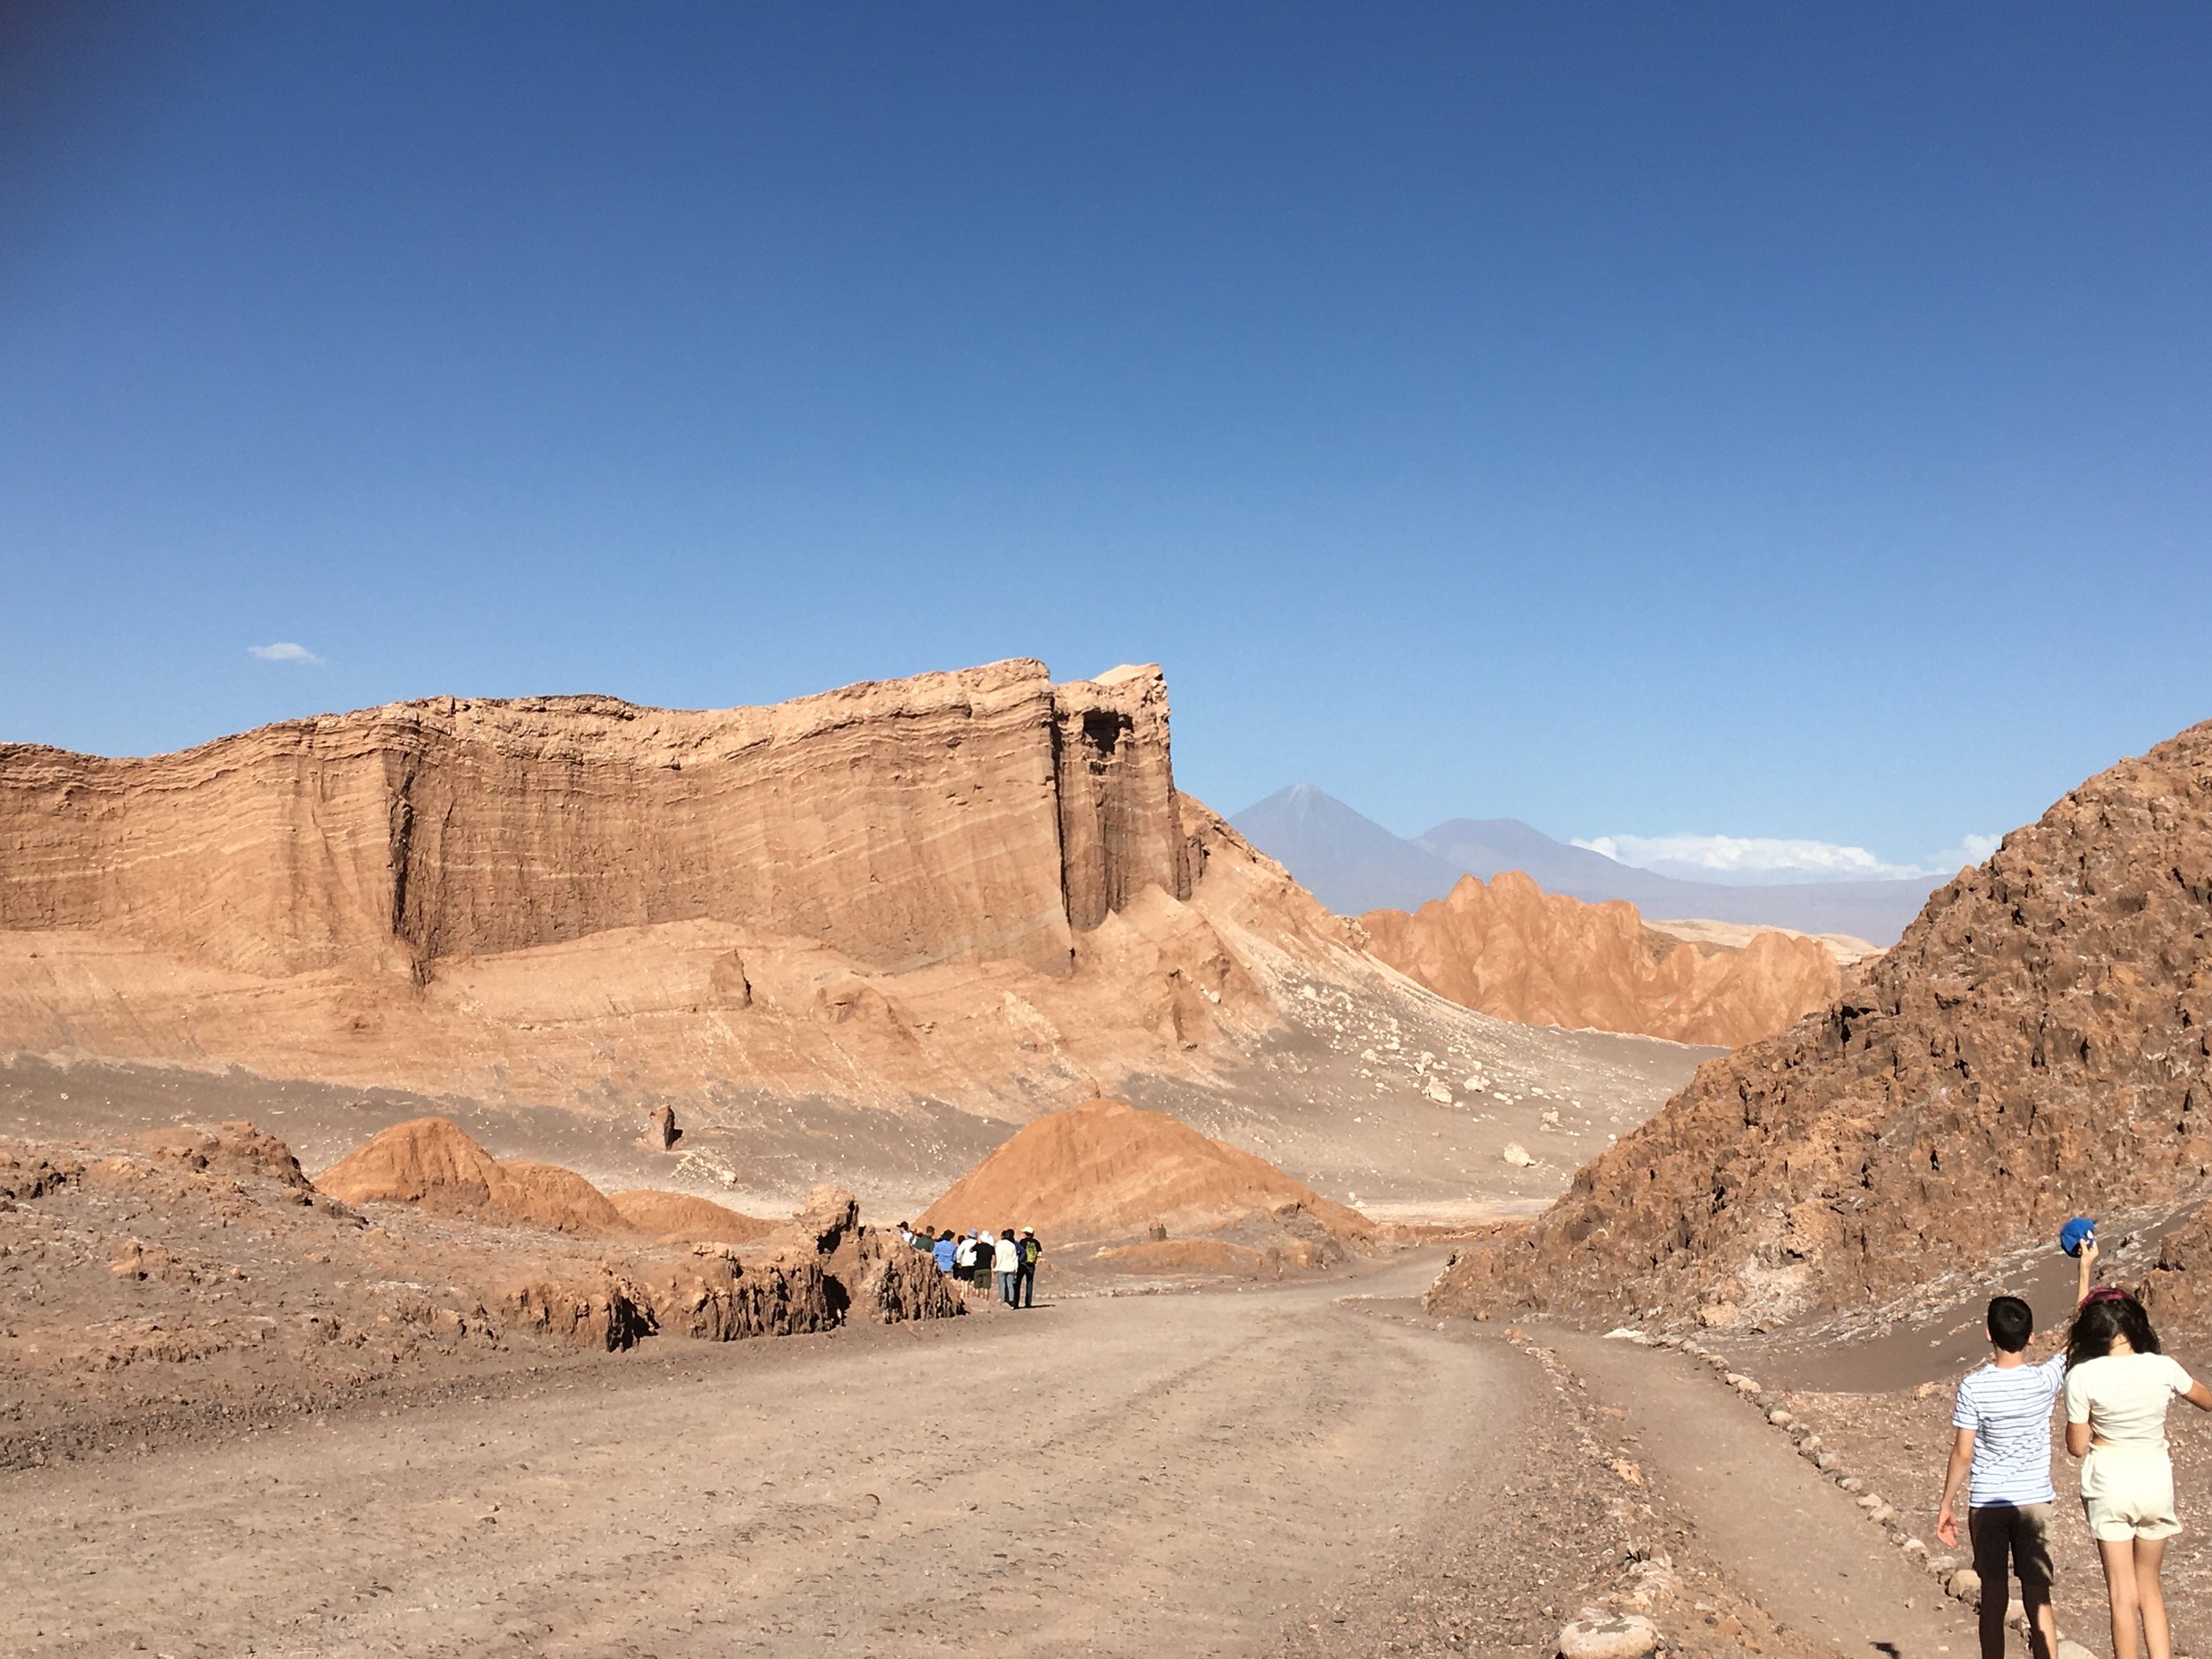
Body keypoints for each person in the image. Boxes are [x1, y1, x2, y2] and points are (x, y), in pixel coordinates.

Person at [2063, 1237, 2212, 1659]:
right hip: (2155, 1481)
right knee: (2151, 1587)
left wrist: (2083, 1272)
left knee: (2121, 1593)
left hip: (2110, 1482)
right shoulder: (2161, 1367)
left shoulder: (2083, 1377)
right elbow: (2205, 1399)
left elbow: (2076, 1447)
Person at [1936, 1282, 2077, 1659]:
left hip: (1987, 1502)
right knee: (2038, 1596)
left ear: (1988, 1335)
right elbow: (2076, 1336)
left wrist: (1946, 1502)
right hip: (2035, 1501)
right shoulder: (2044, 1379)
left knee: (1994, 1597)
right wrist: (2083, 1269)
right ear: (2030, 1337)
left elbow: (1963, 1453)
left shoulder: (1973, 1387)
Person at [994, 1227, 1020, 1306]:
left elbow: (998, 1257)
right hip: (1011, 1268)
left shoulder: (999, 1244)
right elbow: (1014, 1258)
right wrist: (1016, 1268)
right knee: (1010, 1285)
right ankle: (1011, 1301)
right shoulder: (1012, 1245)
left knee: (1002, 1285)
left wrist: (996, 1267)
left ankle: (1003, 1301)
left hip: (1002, 1267)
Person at [1016, 1225, 1041, 1309]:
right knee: (1029, 1283)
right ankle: (1028, 1303)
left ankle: (1016, 1303)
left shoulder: (1022, 1241)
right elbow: (1039, 1254)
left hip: (1022, 1264)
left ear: (1026, 1233)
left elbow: (1019, 1251)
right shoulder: (1036, 1242)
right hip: (1031, 1265)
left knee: (1018, 1283)